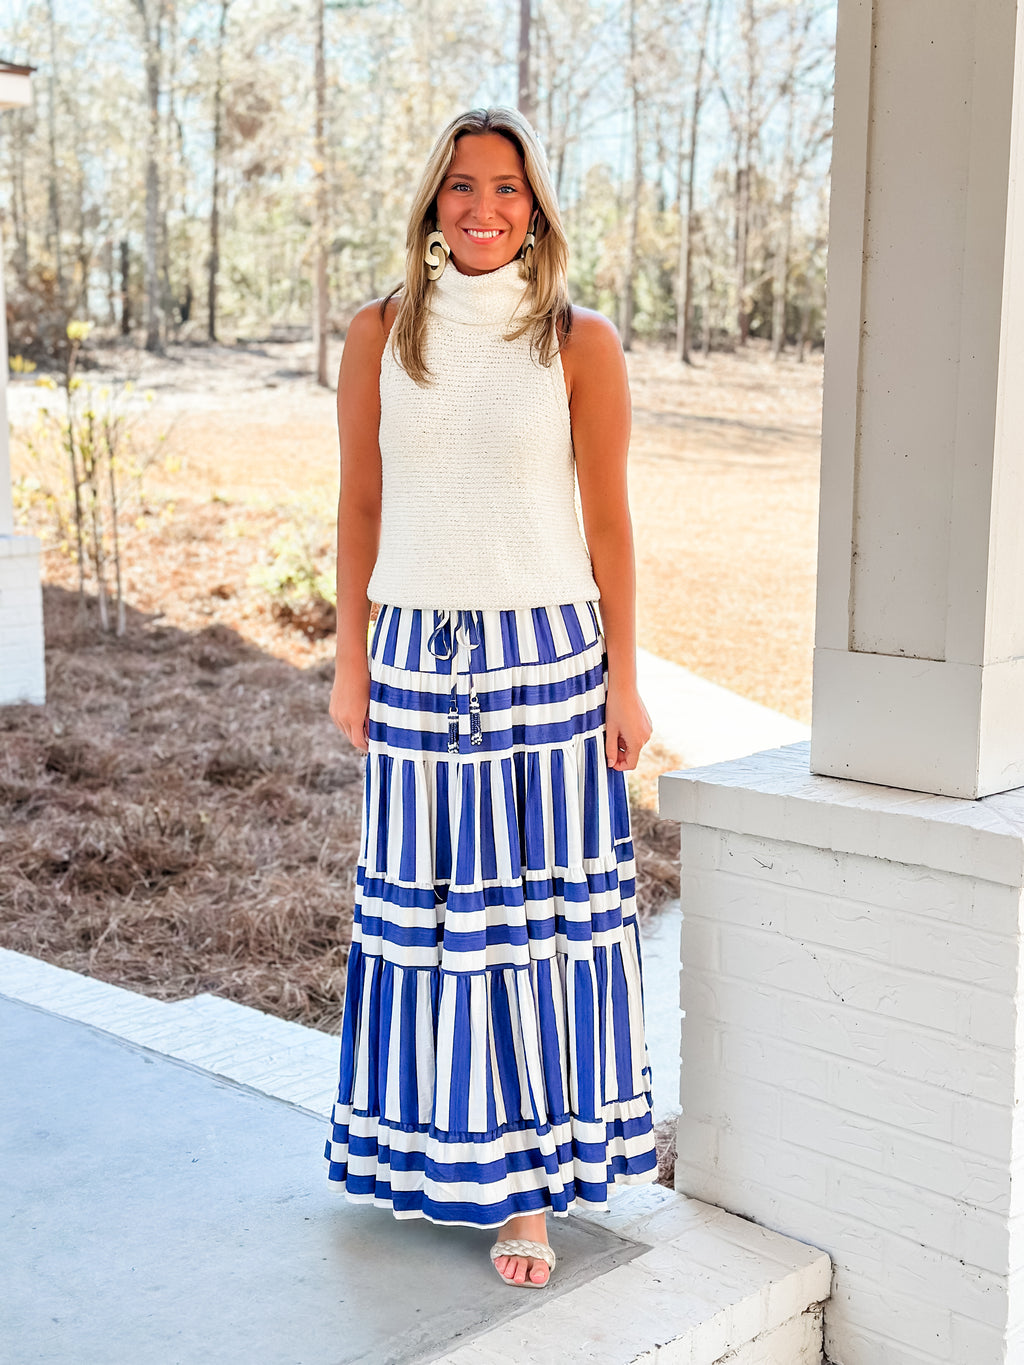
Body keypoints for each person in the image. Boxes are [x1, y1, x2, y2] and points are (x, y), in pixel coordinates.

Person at [324, 106, 659, 1290]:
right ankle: (435, 1154)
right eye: (460, 186)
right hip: (418, 657)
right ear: (430, 204)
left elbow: (610, 524)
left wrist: (628, 676)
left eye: (506, 188)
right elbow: (360, 505)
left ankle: (524, 1197)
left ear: (537, 205)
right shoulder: (379, 333)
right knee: (432, 926)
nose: (482, 208)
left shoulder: (580, 340)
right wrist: (350, 657)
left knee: (538, 931)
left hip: (552, 663)